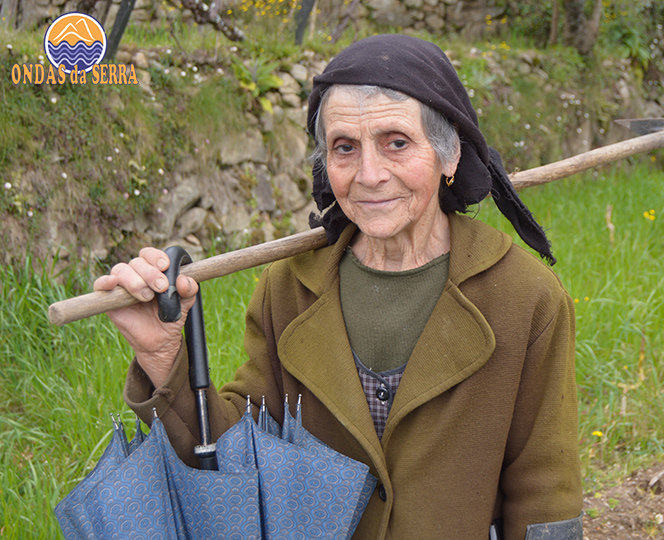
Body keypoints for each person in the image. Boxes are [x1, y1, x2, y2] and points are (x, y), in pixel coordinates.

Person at [94, 34, 583, 540]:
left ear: (449, 154)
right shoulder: (289, 288)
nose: (370, 175)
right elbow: (236, 457)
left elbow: (546, 485)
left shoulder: (525, 297)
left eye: (396, 142)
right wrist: (163, 359)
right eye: (344, 148)